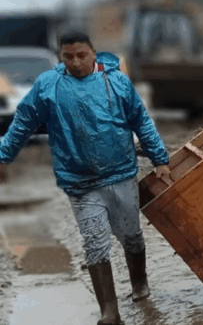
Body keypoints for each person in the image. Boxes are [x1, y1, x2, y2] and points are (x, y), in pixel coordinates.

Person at [0, 31, 171, 324]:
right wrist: (2, 154)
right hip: (79, 183)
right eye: (68, 56)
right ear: (60, 56)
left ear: (93, 53)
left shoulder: (115, 82)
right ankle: (109, 312)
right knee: (94, 243)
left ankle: (139, 282)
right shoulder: (47, 86)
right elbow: (22, 123)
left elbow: (140, 120)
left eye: (81, 55)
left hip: (121, 175)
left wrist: (160, 159)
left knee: (130, 236)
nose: (76, 62)